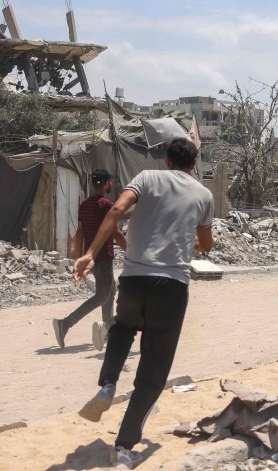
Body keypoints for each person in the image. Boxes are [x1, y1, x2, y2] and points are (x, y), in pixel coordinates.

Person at [73, 138, 214, 470]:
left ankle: (108, 384)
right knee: (153, 372)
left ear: (166, 160)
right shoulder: (204, 195)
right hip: (172, 286)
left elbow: (117, 209)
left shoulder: (147, 178)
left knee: (122, 328)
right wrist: (183, 238)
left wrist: (90, 253)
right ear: (193, 165)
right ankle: (123, 447)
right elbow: (205, 245)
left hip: (134, 279)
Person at [54, 169, 126, 351]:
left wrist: (79, 260)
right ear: (107, 183)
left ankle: (107, 331)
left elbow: (79, 234)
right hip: (103, 258)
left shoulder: (84, 205)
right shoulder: (106, 204)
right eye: (110, 181)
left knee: (110, 292)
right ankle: (65, 324)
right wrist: (131, 251)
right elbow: (116, 232)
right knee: (102, 296)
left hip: (91, 258)